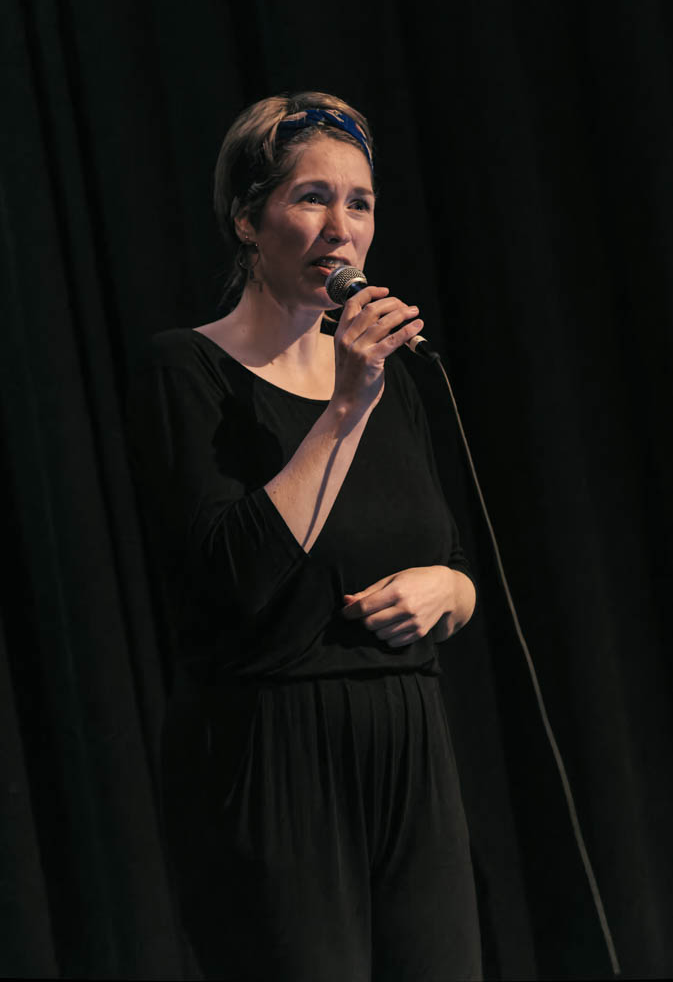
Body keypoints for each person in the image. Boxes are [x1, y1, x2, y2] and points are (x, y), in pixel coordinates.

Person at [126, 91, 482, 982]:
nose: (341, 227)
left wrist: (453, 592)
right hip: (269, 757)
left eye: (358, 202)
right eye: (311, 197)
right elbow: (231, 576)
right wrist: (342, 406)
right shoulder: (189, 369)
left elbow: (451, 556)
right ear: (248, 219)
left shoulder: (387, 378)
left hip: (407, 744)